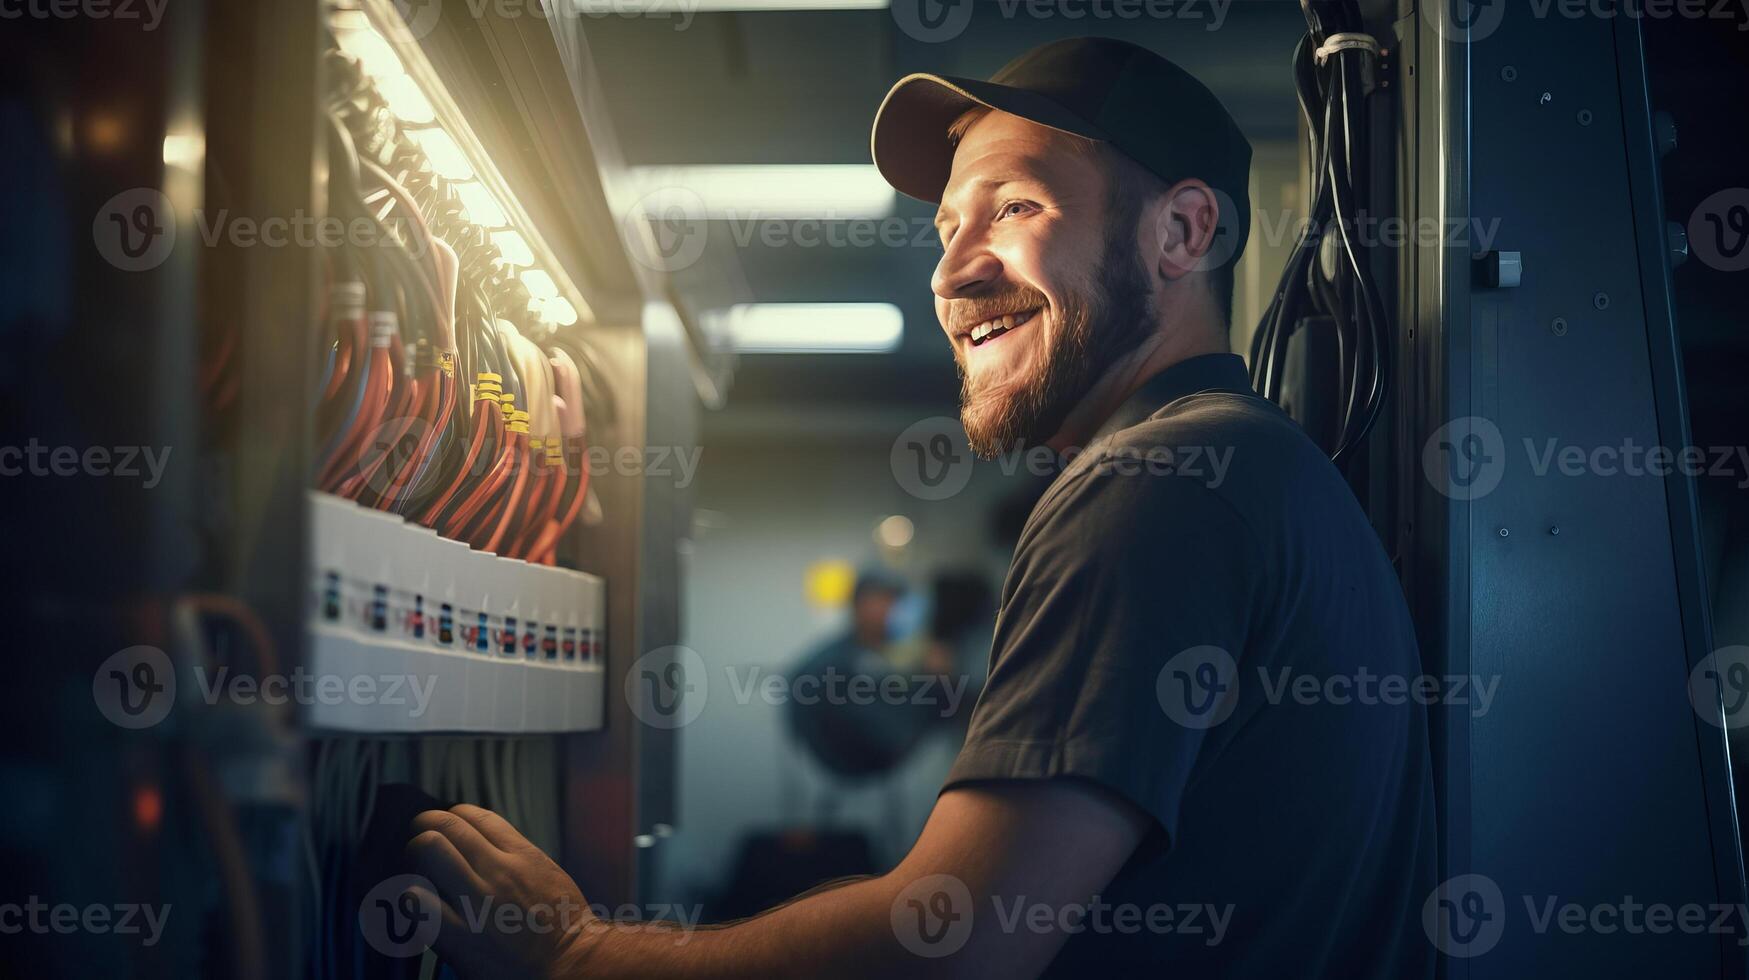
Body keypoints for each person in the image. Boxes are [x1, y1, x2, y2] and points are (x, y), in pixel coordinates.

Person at [403, 37, 1435, 978]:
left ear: (1182, 230)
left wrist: (577, 955)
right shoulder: (1257, 468)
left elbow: (954, 942)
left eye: (1015, 206)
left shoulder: (1160, 481)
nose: (951, 269)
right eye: (948, 224)